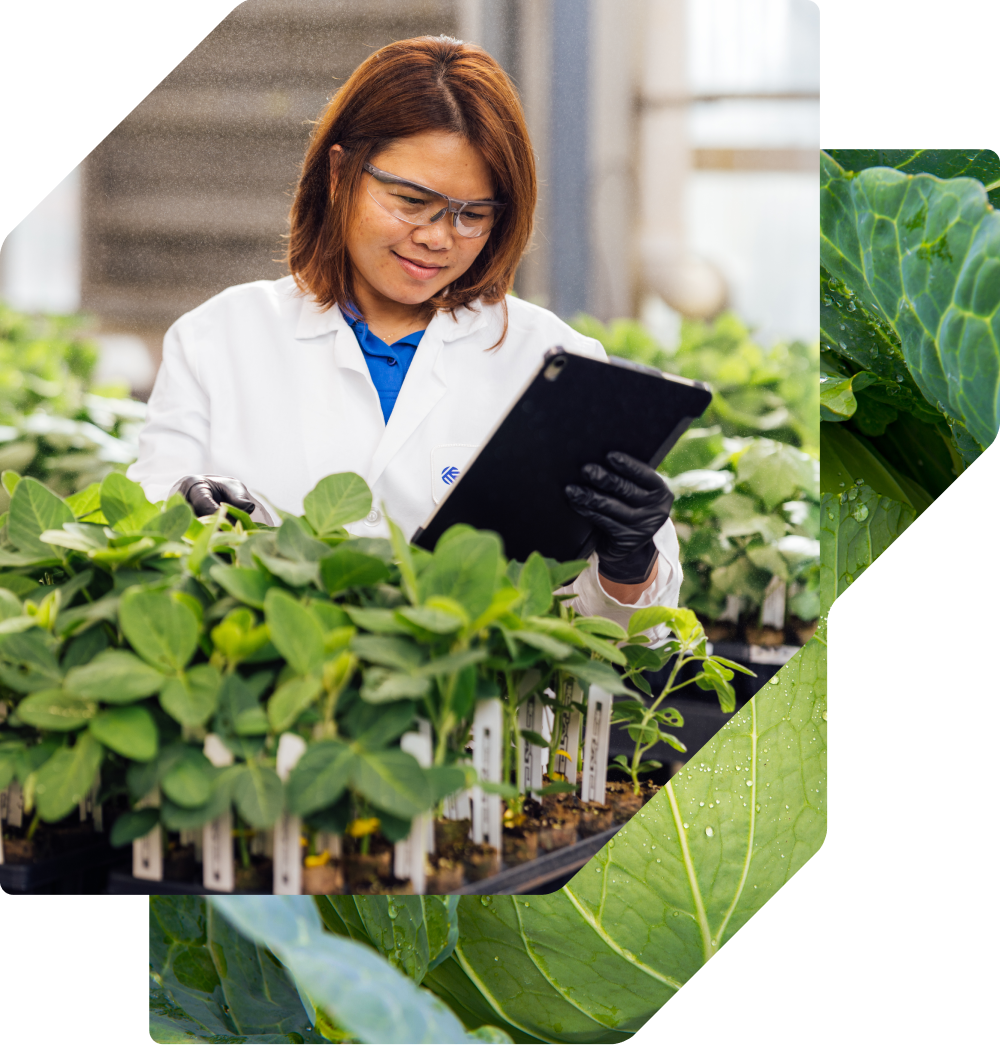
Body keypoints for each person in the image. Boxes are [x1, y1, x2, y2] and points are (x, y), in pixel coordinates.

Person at [127, 35, 680, 627]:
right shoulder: (219, 338)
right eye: (412, 201)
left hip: (479, 713)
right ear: (340, 173)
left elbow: (629, 639)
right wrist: (182, 507)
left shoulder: (556, 358)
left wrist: (630, 561)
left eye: (473, 215)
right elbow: (143, 542)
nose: (438, 237)